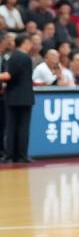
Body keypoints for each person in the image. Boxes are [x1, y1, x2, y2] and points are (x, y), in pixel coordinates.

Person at [1, 33, 36, 163]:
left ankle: (10, 155)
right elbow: (11, 75)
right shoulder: (26, 58)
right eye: (30, 42)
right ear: (25, 43)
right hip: (26, 97)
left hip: (12, 96)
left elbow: (8, 76)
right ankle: (22, 155)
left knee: (11, 126)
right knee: (23, 127)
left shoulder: (13, 57)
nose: (31, 45)